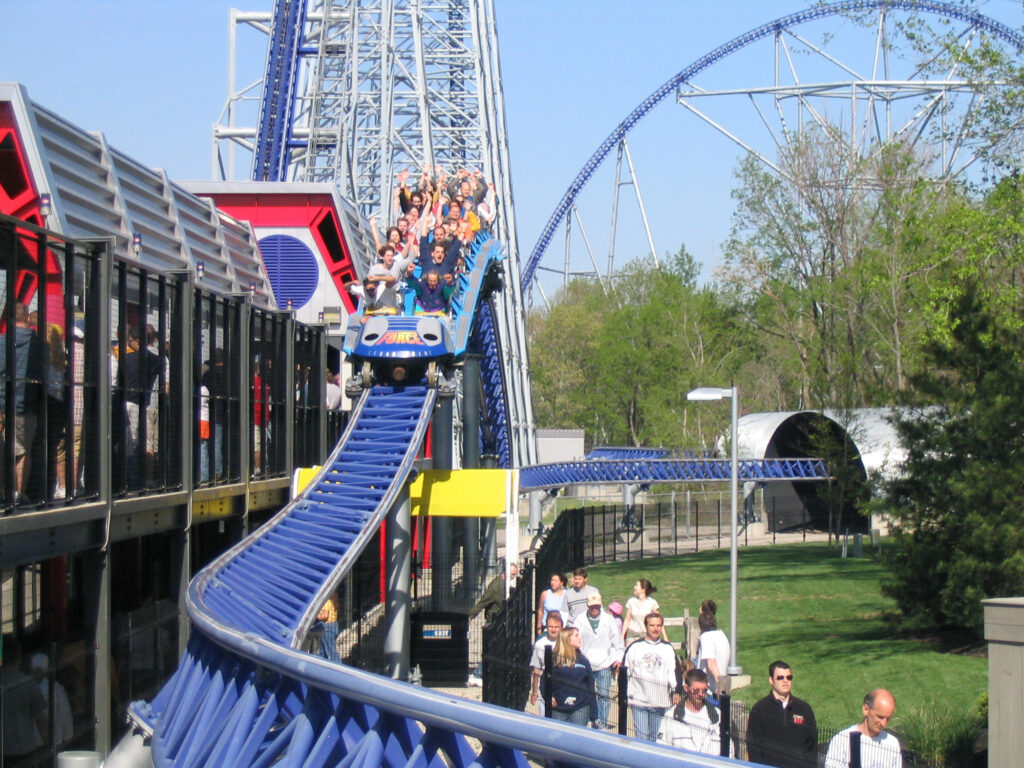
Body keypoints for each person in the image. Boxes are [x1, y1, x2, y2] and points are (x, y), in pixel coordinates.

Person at [0, 302, 42, 502]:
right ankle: (19, 493)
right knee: (23, 452)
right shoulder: (40, 345)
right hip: (28, 407)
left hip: (3, 406)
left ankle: (3, 494)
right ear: (27, 317)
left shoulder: (2, 342)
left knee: (3, 452)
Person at [621, 612, 682, 743]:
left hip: (660, 701)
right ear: (646, 626)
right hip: (639, 700)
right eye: (652, 625)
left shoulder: (667, 648)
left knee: (656, 740)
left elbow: (675, 672)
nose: (655, 629)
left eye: (658, 625)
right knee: (641, 739)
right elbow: (624, 672)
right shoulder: (635, 647)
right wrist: (624, 694)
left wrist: (677, 691)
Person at [747, 660, 818, 768]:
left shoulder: (804, 709)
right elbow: (754, 748)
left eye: (789, 677)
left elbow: (811, 747)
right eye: (780, 677)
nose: (785, 681)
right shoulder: (760, 709)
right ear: (771, 680)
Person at [570, 592, 623, 730]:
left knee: (604, 694)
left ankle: (602, 722)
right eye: (592, 606)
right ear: (588, 606)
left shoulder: (609, 620)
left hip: (605, 662)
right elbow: (575, 639)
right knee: (587, 693)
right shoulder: (580, 619)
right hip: (585, 661)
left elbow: (616, 641)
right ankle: (589, 720)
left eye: (597, 606)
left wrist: (618, 657)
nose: (595, 609)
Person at [824, 689, 903, 768]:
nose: (884, 723)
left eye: (888, 719)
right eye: (880, 717)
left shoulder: (892, 743)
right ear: (866, 710)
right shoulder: (841, 740)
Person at [468, 563, 518, 686]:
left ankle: (483, 673)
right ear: (505, 573)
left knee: (496, 649)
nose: (513, 577)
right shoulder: (496, 586)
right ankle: (477, 674)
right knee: (492, 650)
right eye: (512, 574)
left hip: (499, 621)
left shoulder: (503, 584)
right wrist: (471, 615)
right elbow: (483, 601)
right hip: (494, 622)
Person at [659, 668, 728, 756]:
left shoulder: (718, 716)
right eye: (696, 690)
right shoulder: (671, 716)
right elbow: (661, 750)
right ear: (686, 688)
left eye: (704, 691)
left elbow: (729, 750)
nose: (700, 694)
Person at [2, 638, 47, 759]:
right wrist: (49, 745)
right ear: (19, 658)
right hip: (25, 749)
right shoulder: (30, 684)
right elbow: (40, 719)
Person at [545, 626, 595, 726]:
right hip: (558, 708)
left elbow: (591, 687)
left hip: (580, 706)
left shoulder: (583, 660)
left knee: (577, 736)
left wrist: (594, 716)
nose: (580, 638)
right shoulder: (555, 659)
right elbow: (545, 681)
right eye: (576, 636)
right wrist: (548, 696)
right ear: (567, 639)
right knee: (557, 737)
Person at [29, 652, 74, 747]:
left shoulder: (24, 689)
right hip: (54, 740)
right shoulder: (56, 689)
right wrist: (68, 735)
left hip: (30, 743)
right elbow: (65, 713)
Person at [529, 611, 563, 716]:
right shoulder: (540, 644)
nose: (553, 629)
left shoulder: (565, 643)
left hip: (561, 685)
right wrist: (534, 691)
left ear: (561, 627)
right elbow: (536, 670)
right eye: (550, 626)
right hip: (543, 687)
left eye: (556, 627)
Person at [696, 600, 730, 694]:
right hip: (723, 680)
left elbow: (711, 662)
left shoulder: (706, 637)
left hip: (712, 688)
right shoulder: (720, 634)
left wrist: (719, 685)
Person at [621, 579, 667, 644]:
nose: (634, 587)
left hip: (646, 635)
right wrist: (622, 636)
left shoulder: (652, 603)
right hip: (632, 634)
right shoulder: (631, 601)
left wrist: (665, 636)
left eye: (637, 585)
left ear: (643, 589)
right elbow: (627, 620)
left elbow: (659, 620)